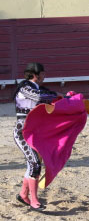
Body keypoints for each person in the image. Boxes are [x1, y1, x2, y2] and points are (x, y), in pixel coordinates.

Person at [13, 62, 60, 211]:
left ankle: (23, 195)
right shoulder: (25, 87)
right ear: (35, 75)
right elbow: (40, 97)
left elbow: (48, 96)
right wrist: (57, 95)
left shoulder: (37, 88)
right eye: (43, 74)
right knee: (35, 164)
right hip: (22, 134)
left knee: (32, 164)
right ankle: (34, 200)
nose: (44, 77)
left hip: (35, 133)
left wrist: (66, 98)